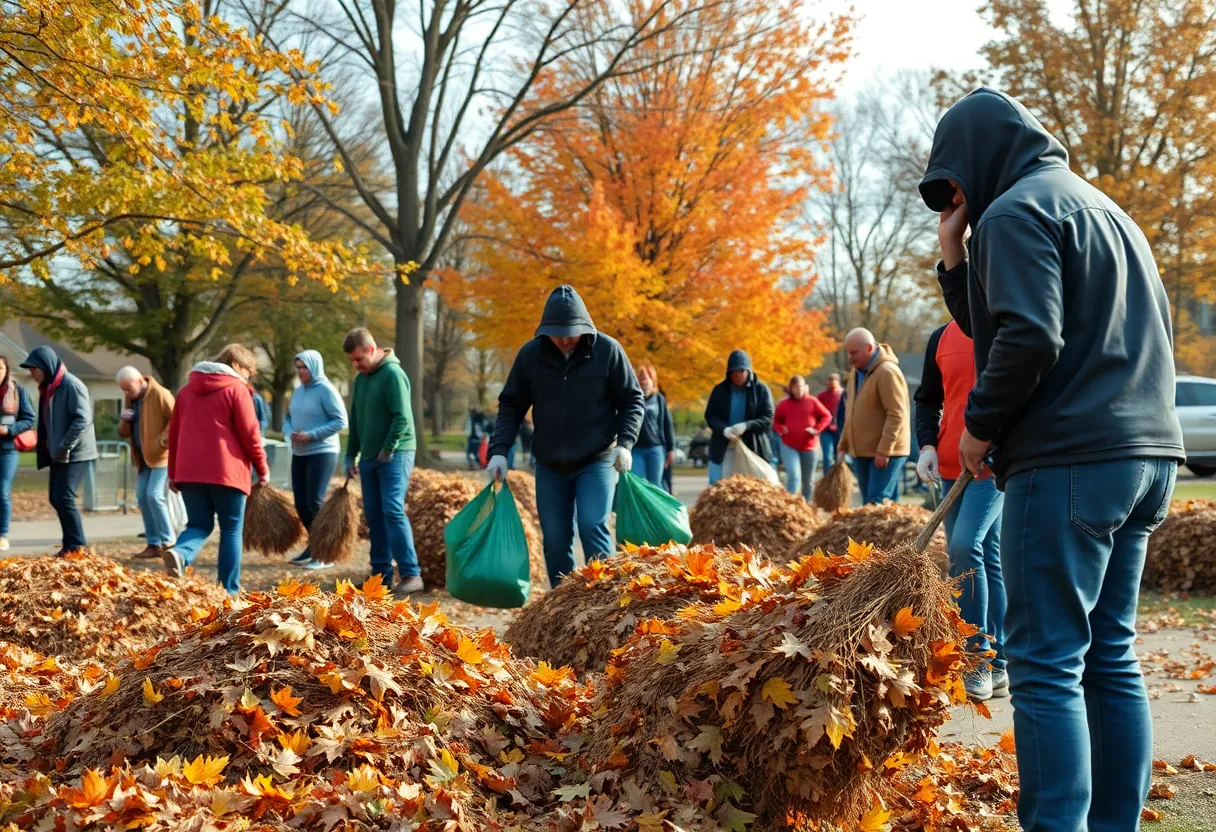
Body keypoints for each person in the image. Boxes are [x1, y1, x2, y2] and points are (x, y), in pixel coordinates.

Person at [921, 89, 1183, 832]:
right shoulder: (1108, 213)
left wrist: (978, 425)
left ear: (978, 158)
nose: (959, 199)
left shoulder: (1014, 213)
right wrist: (953, 258)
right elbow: (1004, 324)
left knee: (1044, 665)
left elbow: (1029, 338)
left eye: (956, 182)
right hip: (1147, 458)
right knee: (1110, 656)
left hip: (1070, 460)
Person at [487, 285, 643, 587]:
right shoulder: (531, 355)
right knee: (556, 538)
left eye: (570, 332)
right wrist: (498, 450)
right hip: (549, 463)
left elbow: (632, 400)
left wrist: (625, 443)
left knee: (592, 524)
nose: (564, 339)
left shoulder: (608, 351)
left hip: (596, 459)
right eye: (557, 333)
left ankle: (604, 597)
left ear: (584, 328)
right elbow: (511, 405)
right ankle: (563, 600)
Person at [913, 323, 1006, 700]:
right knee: (986, 558)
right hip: (951, 468)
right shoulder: (940, 337)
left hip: (993, 466)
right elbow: (927, 399)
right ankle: (1000, 662)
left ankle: (977, 661)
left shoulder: (1005, 330)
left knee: (966, 549)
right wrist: (926, 446)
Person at [162, 345, 269, 593]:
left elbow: (174, 434)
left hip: (189, 472)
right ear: (235, 365)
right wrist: (262, 469)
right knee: (231, 529)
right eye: (247, 371)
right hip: (227, 472)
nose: (247, 377)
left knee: (198, 525)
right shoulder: (236, 390)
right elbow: (250, 434)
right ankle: (228, 591)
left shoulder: (186, 391)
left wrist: (173, 472)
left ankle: (180, 553)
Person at [342, 328, 423, 595]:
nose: (356, 365)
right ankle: (380, 576)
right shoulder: (362, 380)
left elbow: (402, 417)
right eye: (352, 361)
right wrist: (350, 454)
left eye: (358, 359)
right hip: (369, 457)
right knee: (374, 515)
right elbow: (355, 421)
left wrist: (388, 449)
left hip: (395, 454)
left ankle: (412, 574)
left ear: (371, 349)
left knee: (392, 510)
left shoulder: (393, 374)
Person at [20, 346, 98, 556]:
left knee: (64, 497)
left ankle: (77, 547)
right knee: (56, 498)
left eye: (34, 368)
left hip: (75, 453)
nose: (32, 373)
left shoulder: (71, 385)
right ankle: (70, 544)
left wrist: (64, 445)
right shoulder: (49, 388)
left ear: (46, 366)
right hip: (58, 452)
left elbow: (82, 420)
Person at [282, 350, 348, 570]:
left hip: (323, 451)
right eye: (298, 367)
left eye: (304, 367)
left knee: (313, 501)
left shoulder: (326, 390)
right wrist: (289, 432)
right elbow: (288, 418)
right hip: (300, 452)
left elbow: (341, 421)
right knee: (301, 503)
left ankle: (325, 554)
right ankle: (314, 547)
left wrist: (313, 435)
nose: (301, 371)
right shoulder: (298, 391)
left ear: (314, 367)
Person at [837, 328, 909, 505]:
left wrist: (884, 450)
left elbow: (896, 414)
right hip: (863, 451)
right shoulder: (856, 372)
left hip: (886, 453)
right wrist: (844, 444)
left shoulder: (887, 372)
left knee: (875, 504)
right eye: (848, 352)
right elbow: (851, 411)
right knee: (874, 506)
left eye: (854, 352)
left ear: (869, 348)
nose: (850, 358)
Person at [116, 366, 176, 560]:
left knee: (154, 495)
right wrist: (125, 420)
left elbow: (176, 417)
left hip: (161, 455)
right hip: (142, 457)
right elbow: (124, 432)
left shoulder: (160, 394)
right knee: (142, 497)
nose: (126, 392)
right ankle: (153, 543)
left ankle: (169, 541)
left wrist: (162, 439)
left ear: (140, 381)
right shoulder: (131, 400)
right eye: (123, 389)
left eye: (128, 388)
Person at [703, 350, 774, 484]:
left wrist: (746, 425)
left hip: (753, 447)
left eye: (741, 371)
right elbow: (710, 416)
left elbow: (768, 418)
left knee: (758, 485)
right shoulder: (719, 390)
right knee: (717, 484)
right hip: (723, 446)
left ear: (748, 371)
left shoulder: (761, 390)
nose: (738, 375)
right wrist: (724, 429)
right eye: (734, 372)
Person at [773, 375, 833, 501]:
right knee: (794, 475)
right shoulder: (784, 404)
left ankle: (805, 505)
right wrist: (780, 429)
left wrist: (816, 429)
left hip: (809, 446)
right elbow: (775, 420)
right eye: (795, 387)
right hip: (789, 445)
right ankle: (789, 504)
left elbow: (826, 416)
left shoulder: (812, 401)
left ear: (805, 387)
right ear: (791, 388)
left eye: (800, 387)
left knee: (808, 480)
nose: (798, 390)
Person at [0, 356, 36, 552]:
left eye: (0, 368)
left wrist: (9, 430)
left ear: (6, 370)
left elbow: (29, 419)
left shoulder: (17, 391)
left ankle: (2, 535)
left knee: (2, 492)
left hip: (7, 450)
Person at [633, 364, 675, 489]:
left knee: (656, 485)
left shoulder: (659, 399)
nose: (643, 381)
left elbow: (667, 424)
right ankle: (639, 509)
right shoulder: (632, 398)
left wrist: (670, 449)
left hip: (655, 448)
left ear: (653, 380)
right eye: (640, 378)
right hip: (636, 449)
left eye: (646, 378)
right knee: (637, 484)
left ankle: (656, 509)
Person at [817, 373, 844, 471]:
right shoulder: (822, 396)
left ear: (838, 381)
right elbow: (818, 412)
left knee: (840, 457)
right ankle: (827, 480)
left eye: (833, 380)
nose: (831, 383)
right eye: (829, 380)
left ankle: (839, 478)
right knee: (827, 456)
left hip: (841, 430)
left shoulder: (843, 395)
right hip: (826, 430)